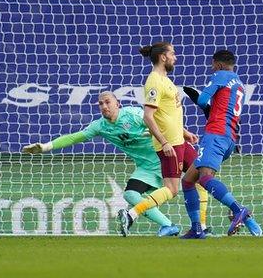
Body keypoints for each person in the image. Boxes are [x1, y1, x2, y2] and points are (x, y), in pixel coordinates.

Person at [23, 91, 212, 236]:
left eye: (108, 102)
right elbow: (74, 137)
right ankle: (168, 225)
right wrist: (45, 147)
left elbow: (160, 122)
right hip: (145, 166)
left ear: (117, 104)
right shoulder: (100, 126)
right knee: (130, 193)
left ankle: (202, 225)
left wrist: (185, 132)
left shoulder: (133, 114)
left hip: (163, 156)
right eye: (100, 104)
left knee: (197, 180)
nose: (104, 106)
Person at [117, 41, 207, 236]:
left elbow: (167, 114)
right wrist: (165, 142)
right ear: (163, 57)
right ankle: (132, 213)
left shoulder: (166, 80)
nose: (175, 57)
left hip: (180, 141)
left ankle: (201, 227)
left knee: (201, 176)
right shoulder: (154, 81)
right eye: (172, 53)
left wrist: (184, 132)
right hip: (169, 145)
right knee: (172, 189)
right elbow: (148, 116)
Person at [180, 50, 262, 238]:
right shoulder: (239, 84)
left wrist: (197, 97)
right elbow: (221, 108)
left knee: (205, 178)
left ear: (217, 64)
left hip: (215, 134)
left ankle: (239, 210)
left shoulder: (220, 75)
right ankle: (197, 229)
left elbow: (202, 99)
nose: (211, 69)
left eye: (212, 66)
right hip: (229, 137)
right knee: (188, 180)